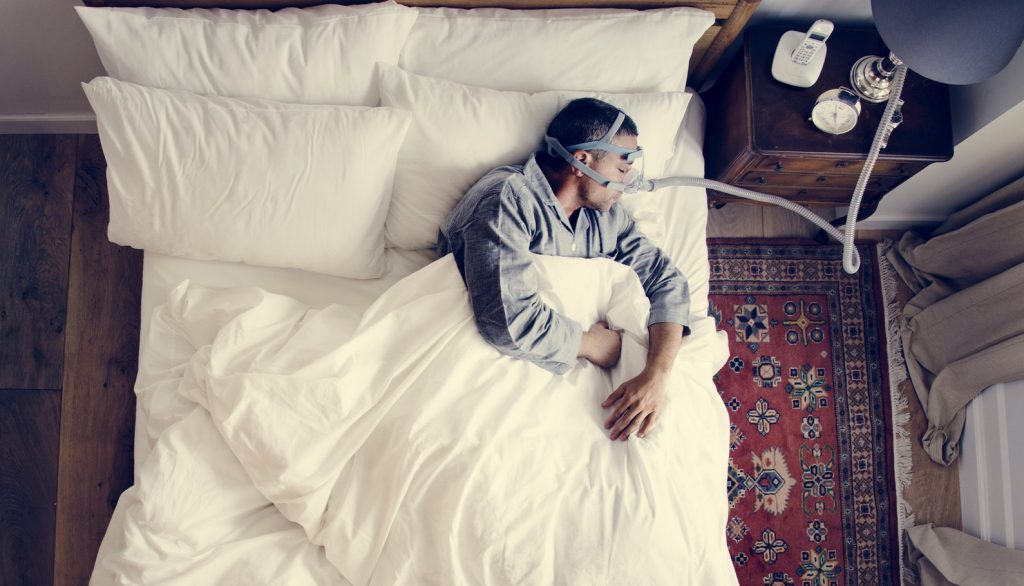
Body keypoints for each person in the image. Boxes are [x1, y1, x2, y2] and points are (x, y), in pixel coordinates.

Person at [437, 98, 690, 442]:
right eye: (621, 167)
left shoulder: (606, 216)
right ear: (582, 161)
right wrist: (591, 345)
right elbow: (508, 323)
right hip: (492, 362)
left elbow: (666, 281)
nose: (629, 181)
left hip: (578, 378)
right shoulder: (507, 200)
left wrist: (656, 374)